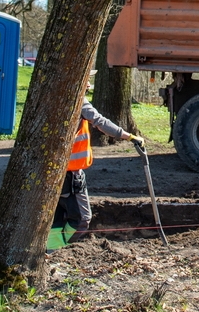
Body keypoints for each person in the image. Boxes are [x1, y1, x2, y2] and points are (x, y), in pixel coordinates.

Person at [54, 77, 145, 244]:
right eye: (87, 79)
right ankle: (53, 249)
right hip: (70, 172)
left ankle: (48, 251)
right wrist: (129, 136)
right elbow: (100, 121)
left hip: (55, 171)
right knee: (81, 220)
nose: (89, 84)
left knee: (57, 219)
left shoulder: (54, 96)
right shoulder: (77, 100)